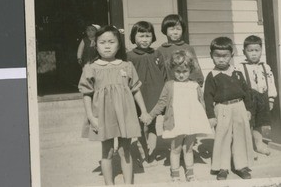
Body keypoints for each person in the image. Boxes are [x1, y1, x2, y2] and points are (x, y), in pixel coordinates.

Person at [78, 25, 150, 185]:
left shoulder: (127, 66)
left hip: (125, 114)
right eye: (102, 42)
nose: (107, 45)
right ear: (95, 45)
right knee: (108, 151)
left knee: (125, 151)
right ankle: (109, 184)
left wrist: (144, 111)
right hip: (103, 116)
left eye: (111, 41)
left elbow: (136, 90)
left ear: (119, 45)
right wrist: (91, 117)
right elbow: (86, 94)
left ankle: (128, 183)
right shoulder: (91, 68)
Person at [146, 50, 212, 182]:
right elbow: (162, 102)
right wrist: (151, 115)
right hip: (176, 122)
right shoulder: (169, 85)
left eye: (184, 71)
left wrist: (207, 119)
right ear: (172, 70)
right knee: (175, 148)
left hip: (191, 121)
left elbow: (201, 103)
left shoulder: (194, 85)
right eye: (178, 71)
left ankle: (190, 172)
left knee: (188, 148)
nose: (181, 75)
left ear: (190, 70)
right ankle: (175, 173)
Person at [204, 37, 254, 180]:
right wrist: (210, 116)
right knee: (223, 137)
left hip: (239, 107)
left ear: (231, 55)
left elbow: (247, 92)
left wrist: (249, 109)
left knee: (240, 136)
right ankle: (222, 167)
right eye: (217, 56)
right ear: (211, 56)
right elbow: (207, 97)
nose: (221, 60)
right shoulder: (212, 76)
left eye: (225, 56)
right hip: (222, 109)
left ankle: (241, 165)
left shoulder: (237, 73)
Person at [127, 21, 166, 167]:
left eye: (148, 36)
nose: (145, 39)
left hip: (155, 94)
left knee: (152, 125)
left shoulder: (157, 54)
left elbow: (164, 74)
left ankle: (151, 154)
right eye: (141, 36)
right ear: (133, 37)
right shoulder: (129, 56)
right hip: (137, 96)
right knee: (139, 126)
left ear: (153, 37)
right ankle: (144, 153)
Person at [237, 35, 277, 156]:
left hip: (262, 98)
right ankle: (248, 148)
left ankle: (259, 145)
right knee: (248, 123)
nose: (254, 54)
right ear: (244, 52)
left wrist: (270, 99)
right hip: (248, 99)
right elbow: (238, 86)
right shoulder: (240, 67)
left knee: (258, 124)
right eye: (250, 51)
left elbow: (271, 83)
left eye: (257, 50)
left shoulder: (266, 67)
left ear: (261, 51)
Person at [157, 14, 204, 86]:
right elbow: (159, 73)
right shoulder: (160, 50)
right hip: (170, 88)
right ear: (165, 30)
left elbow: (195, 69)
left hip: (187, 86)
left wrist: (197, 83)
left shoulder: (188, 48)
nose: (175, 32)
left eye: (178, 29)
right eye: (172, 29)